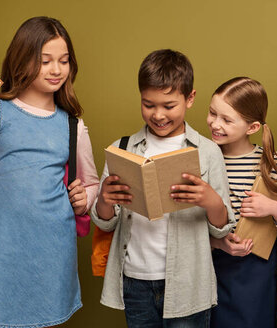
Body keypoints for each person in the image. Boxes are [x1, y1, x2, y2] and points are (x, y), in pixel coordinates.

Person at [0, 16, 99, 327]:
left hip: (52, 251)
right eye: (45, 61)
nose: (56, 69)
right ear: (22, 60)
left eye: (64, 60)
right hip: (1, 247)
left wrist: (86, 197)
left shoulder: (74, 125)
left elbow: (92, 183)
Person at [91, 49, 235, 327]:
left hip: (188, 283)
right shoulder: (122, 149)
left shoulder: (207, 152)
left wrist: (211, 200)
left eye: (169, 106)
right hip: (134, 281)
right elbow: (107, 224)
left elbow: (222, 227)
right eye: (148, 104)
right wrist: (105, 201)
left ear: (190, 98)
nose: (158, 115)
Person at [206, 76, 277, 327]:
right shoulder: (202, 160)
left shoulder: (272, 163)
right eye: (212, 113)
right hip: (211, 267)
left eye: (227, 119)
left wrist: (273, 209)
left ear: (252, 127)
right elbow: (184, 225)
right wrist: (217, 242)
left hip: (259, 271)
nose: (215, 124)